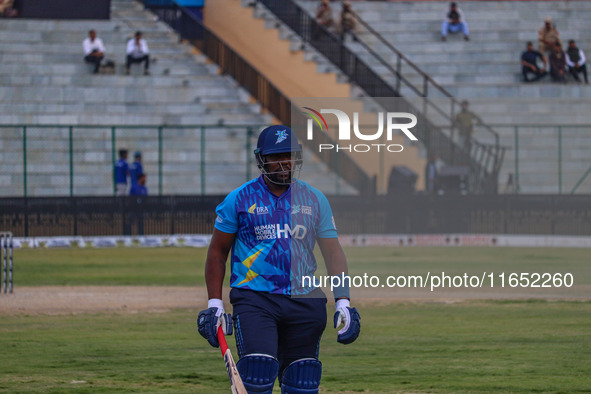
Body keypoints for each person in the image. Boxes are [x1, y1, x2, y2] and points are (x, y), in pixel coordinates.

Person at [197, 125, 360, 394]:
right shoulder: (238, 199)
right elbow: (217, 253)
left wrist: (343, 300)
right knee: (257, 374)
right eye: (276, 156)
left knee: (302, 382)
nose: (284, 162)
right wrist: (214, 303)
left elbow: (333, 252)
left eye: (289, 155)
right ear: (261, 159)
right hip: (255, 299)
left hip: (306, 301)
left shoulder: (315, 199)